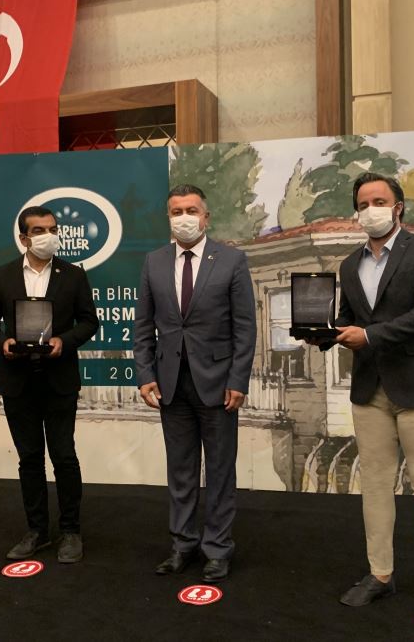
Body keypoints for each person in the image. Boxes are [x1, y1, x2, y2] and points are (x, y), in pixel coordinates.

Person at [313, 172, 414, 624]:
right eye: (363, 203)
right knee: (375, 486)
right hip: (369, 390)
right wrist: (322, 332)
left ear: (398, 207)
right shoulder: (349, 265)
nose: (370, 209)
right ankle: (380, 574)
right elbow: (349, 319)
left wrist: (370, 336)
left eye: (379, 201)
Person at [133, 184, 256, 584]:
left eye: (191, 210)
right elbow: (142, 326)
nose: (183, 217)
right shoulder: (153, 262)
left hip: (219, 385)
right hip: (171, 385)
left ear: (206, 217)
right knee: (181, 470)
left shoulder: (232, 260)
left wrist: (239, 379)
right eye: (176, 211)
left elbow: (245, 327)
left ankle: (217, 549)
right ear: (168, 218)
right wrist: (145, 374)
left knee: (219, 472)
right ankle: (182, 544)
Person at [0, 205, 99, 563]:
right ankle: (36, 531)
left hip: (59, 379)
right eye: (39, 230)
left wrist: (65, 340)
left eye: (52, 229)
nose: (48, 236)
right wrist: (2, 342)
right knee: (29, 458)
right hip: (17, 381)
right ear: (23, 238)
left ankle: (71, 531)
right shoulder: (2, 275)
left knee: (64, 456)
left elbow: (89, 321)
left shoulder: (73, 275)